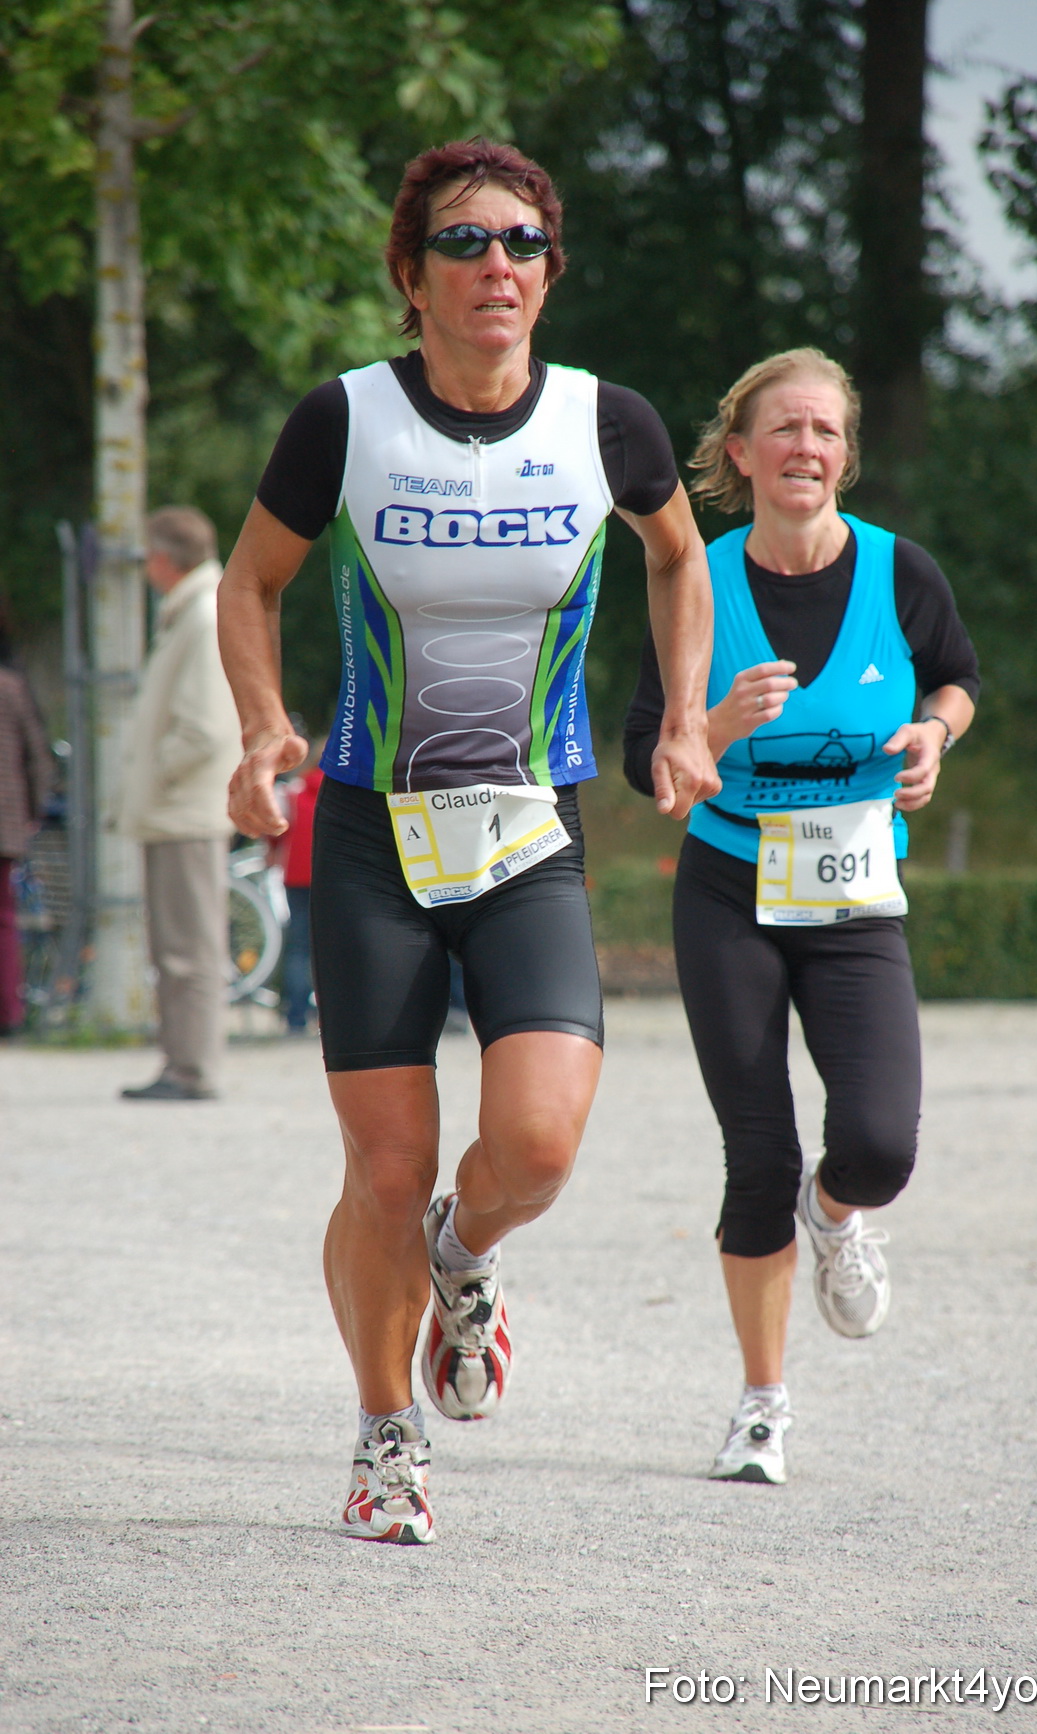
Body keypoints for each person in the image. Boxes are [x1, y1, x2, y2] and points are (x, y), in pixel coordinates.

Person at [218, 137, 718, 1545]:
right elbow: (251, 584)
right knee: (383, 1168)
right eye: (464, 241)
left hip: (527, 833)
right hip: (370, 836)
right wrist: (263, 727)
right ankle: (387, 1436)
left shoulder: (608, 422)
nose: (496, 264)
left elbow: (679, 556)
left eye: (522, 243)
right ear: (411, 275)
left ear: (550, 275)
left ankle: (465, 1247)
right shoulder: (346, 419)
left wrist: (683, 716)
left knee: (539, 1147)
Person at [624, 348, 978, 1486]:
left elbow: (956, 679)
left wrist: (932, 735)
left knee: (877, 1145)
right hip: (728, 888)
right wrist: (712, 727)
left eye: (825, 430)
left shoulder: (899, 570)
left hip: (853, 897)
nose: (805, 448)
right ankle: (761, 1406)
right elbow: (645, 762)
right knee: (757, 1151)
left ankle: (834, 1214)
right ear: (739, 452)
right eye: (783, 428)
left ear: (846, 453)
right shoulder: (696, 580)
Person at [120, 508, 242, 1101]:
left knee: (188, 948)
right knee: (177, 946)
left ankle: (192, 1069)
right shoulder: (197, 610)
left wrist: (157, 773)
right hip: (180, 808)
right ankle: (181, 1063)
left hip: (185, 808)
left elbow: (203, 728)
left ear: (165, 559)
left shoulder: (202, 613)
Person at [0, 602, 54, 1034]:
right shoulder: (11, 688)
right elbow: (37, 758)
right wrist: (33, 811)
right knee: (4, 920)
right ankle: (9, 1013)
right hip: (4, 823)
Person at [273, 735, 323, 1034]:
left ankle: (296, 1016)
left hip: (297, 876)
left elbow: (275, 829)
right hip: (336, 877)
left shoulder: (293, 790)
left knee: (299, 947)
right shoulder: (349, 791)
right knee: (340, 946)